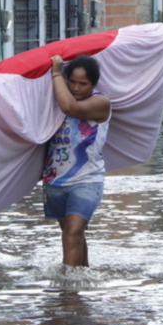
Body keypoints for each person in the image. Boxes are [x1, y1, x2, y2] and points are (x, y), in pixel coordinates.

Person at [42, 55, 111, 267]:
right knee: (73, 235)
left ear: (94, 84)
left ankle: (68, 292)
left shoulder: (100, 103)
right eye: (71, 81)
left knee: (73, 232)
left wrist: (56, 73)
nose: (75, 87)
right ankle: (82, 280)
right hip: (55, 181)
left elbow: (71, 108)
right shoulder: (55, 99)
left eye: (83, 84)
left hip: (87, 180)